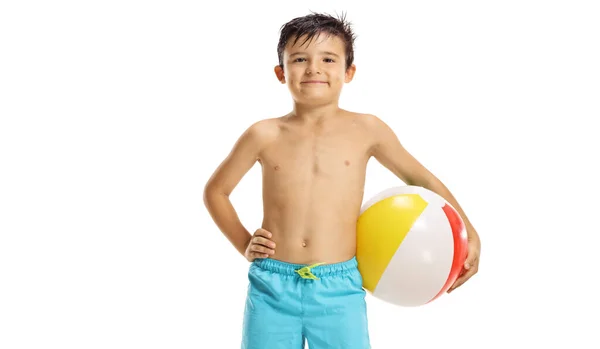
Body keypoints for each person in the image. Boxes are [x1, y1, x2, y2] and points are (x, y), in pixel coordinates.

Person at [203, 12, 481, 349]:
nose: (314, 68)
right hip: (271, 284)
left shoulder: (367, 129)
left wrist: (470, 233)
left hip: (339, 287)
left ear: (349, 72)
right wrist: (244, 243)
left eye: (328, 59)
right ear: (281, 72)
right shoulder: (263, 134)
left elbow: (419, 178)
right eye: (300, 59)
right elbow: (216, 191)